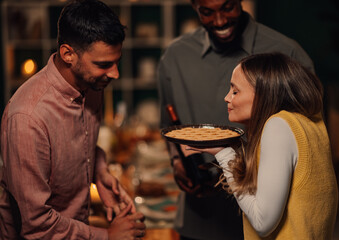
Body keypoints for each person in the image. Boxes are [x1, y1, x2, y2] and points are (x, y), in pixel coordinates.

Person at [157, 0, 315, 239]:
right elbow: (169, 126)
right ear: (195, 8)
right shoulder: (175, 58)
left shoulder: (288, 53)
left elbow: (309, 143)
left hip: (271, 227)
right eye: (207, 12)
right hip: (200, 219)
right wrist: (177, 162)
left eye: (227, 7)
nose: (219, 21)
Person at [0, 0, 146, 239]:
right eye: (104, 64)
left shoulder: (91, 83)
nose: (115, 73)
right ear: (68, 54)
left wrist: (99, 173)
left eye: (116, 61)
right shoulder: (27, 118)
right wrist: (108, 236)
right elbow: (36, 225)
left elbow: (78, 141)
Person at [187, 52, 338, 239]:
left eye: (235, 91)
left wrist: (225, 154)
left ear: (264, 94)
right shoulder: (311, 123)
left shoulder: (278, 126)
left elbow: (262, 222)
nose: (227, 98)